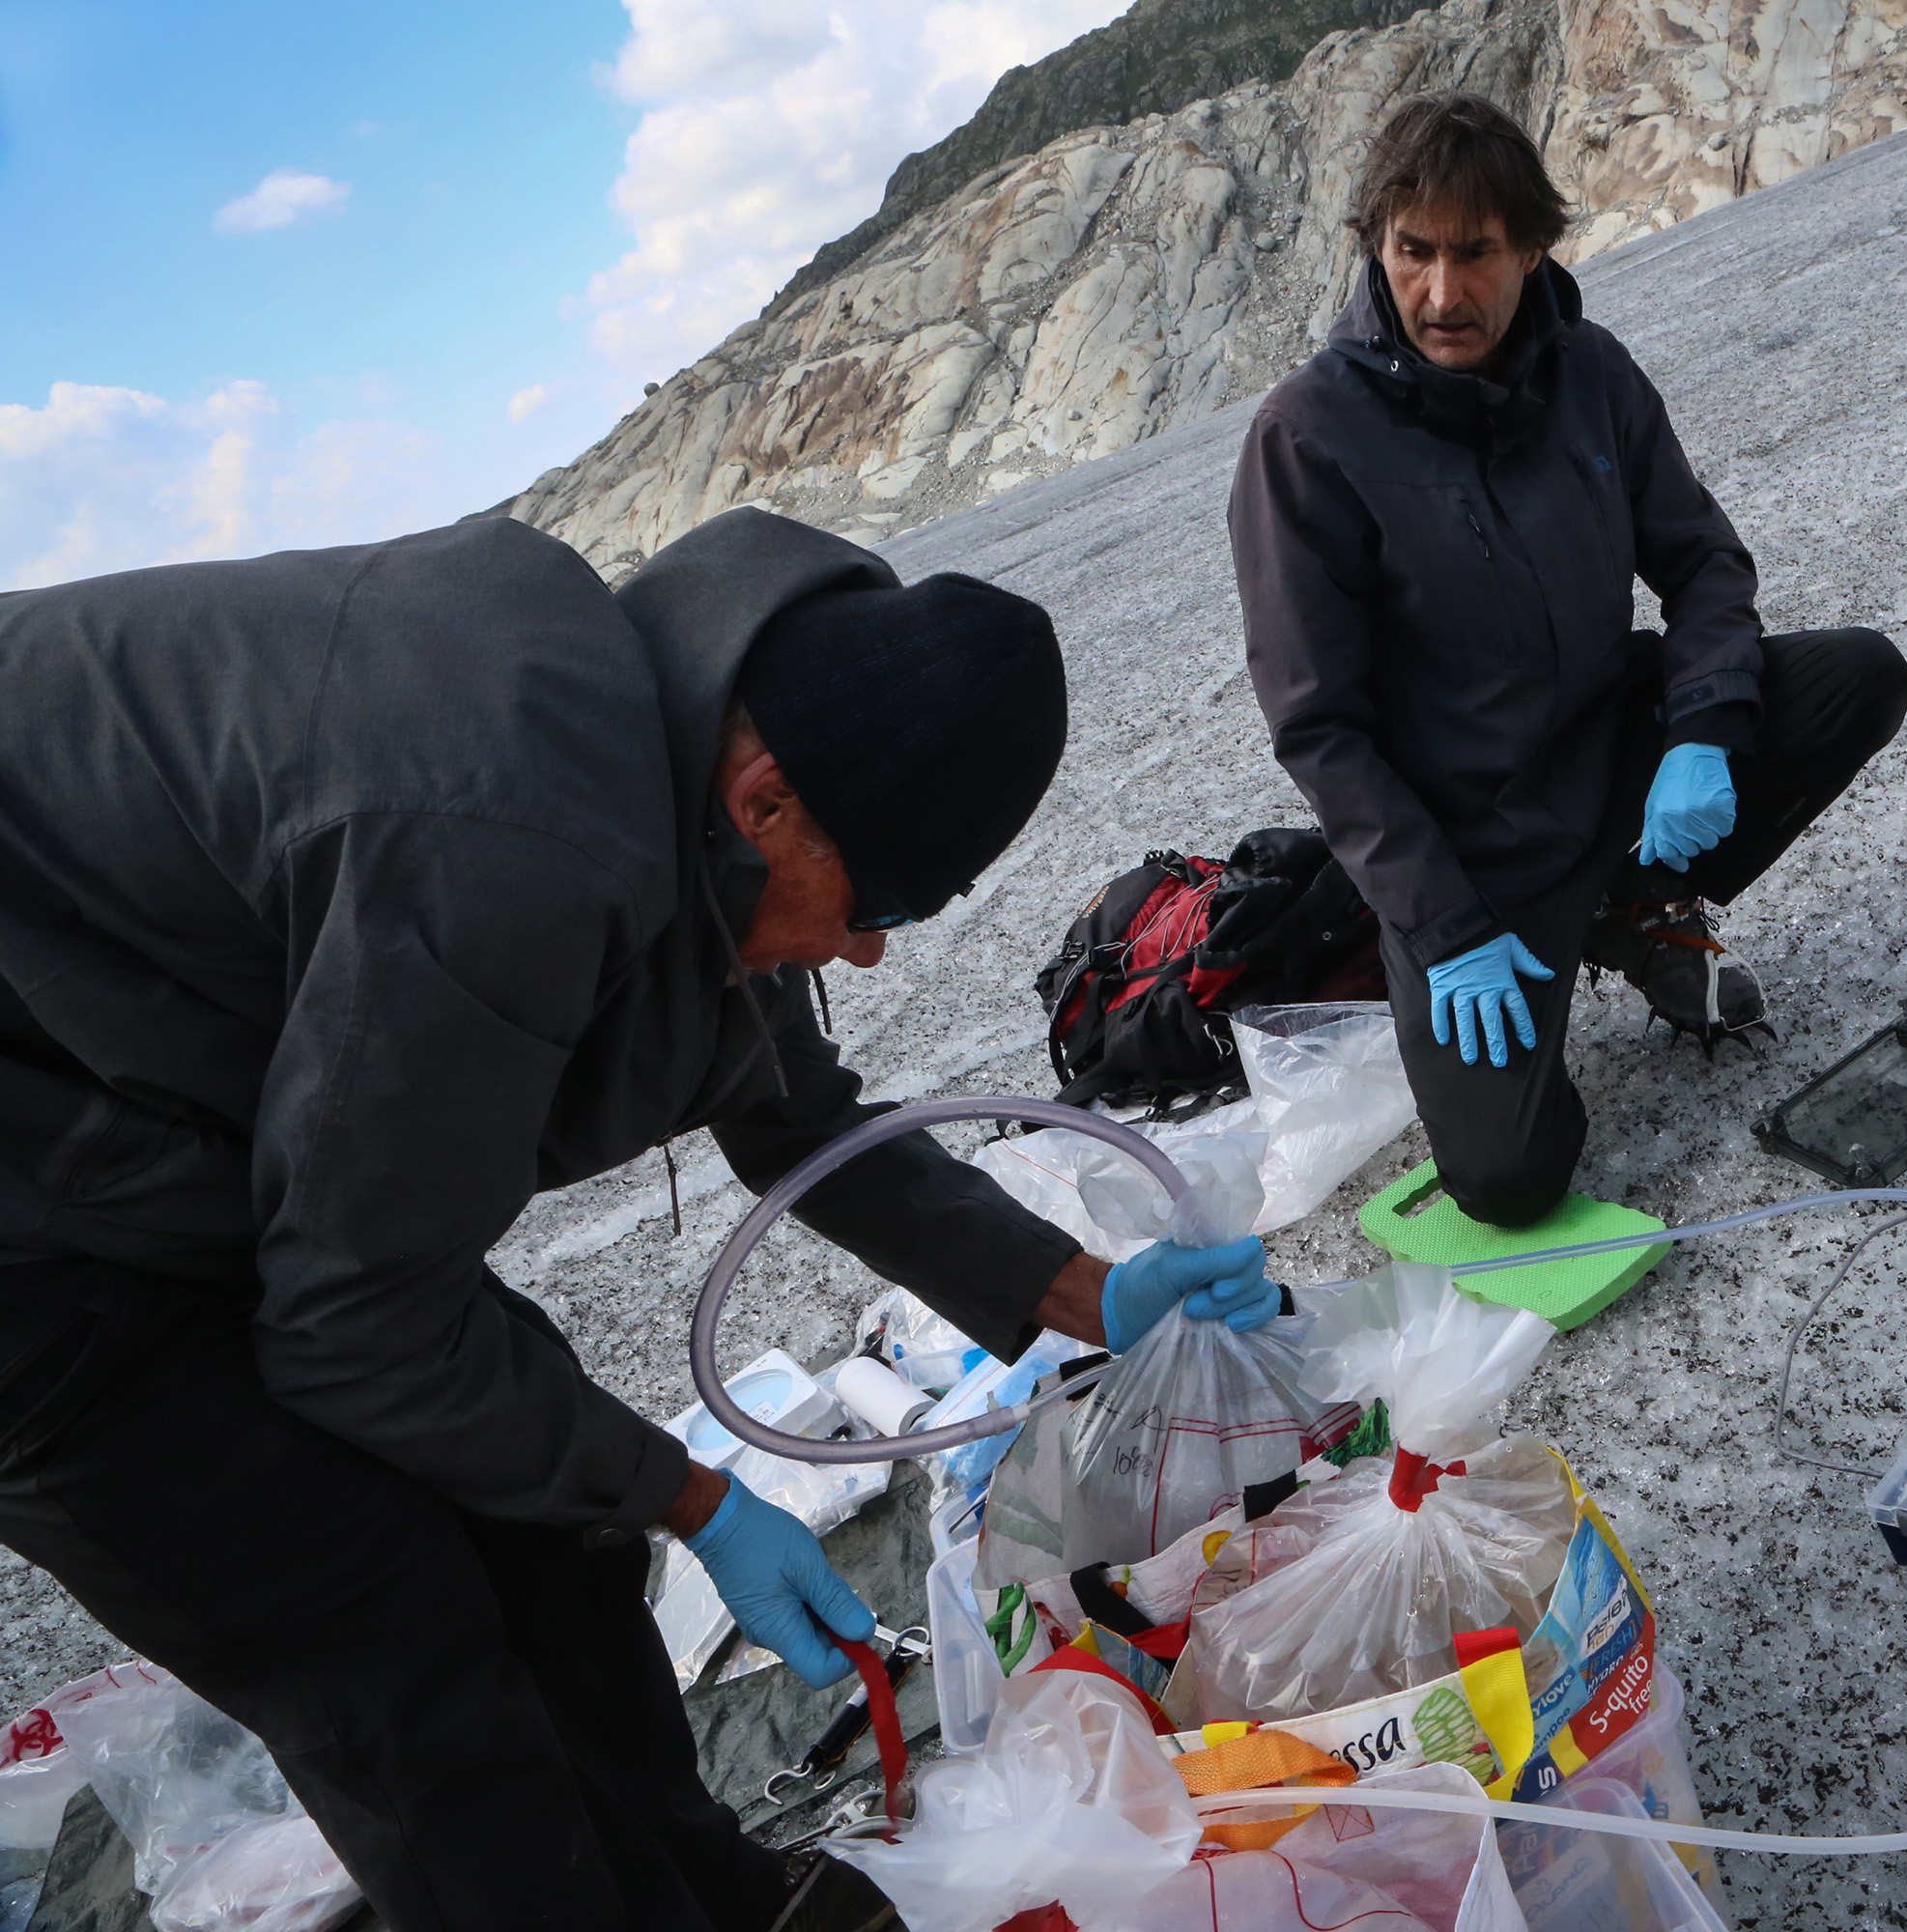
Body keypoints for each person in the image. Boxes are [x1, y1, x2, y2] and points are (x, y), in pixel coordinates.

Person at [0, 506, 1274, 1932]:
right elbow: (358, 1326)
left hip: (174, 1121)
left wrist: (1090, 1293)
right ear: (770, 800)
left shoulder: (702, 741)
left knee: (542, 1524)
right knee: (382, 1636)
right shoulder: (504, 829)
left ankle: (714, 1905)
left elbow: (799, 1124)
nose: (861, 949)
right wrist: (700, 1497)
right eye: (872, 904)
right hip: (33, 1239)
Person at [1230, 92, 1907, 1230]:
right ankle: (1552, 923)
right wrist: (1444, 929)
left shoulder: (1591, 371)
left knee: (1859, 675)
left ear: (1535, 245)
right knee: (1508, 1181)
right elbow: (1320, 726)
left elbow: (1702, 564)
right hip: (1474, 840)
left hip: (1620, 753)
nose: (1443, 293)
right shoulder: (1307, 435)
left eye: (1476, 253)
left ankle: (1639, 897)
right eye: (1413, 252)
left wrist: (1702, 730)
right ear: (1376, 247)